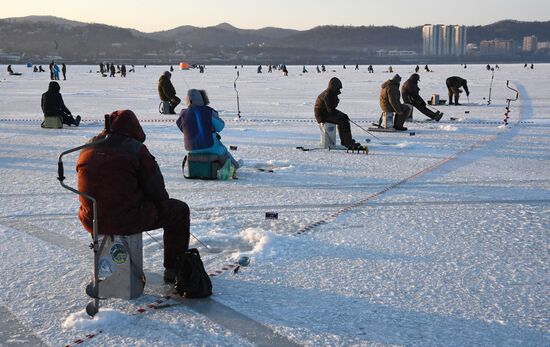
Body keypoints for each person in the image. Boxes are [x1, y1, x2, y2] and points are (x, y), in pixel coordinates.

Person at [76, 109, 190, 283]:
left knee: (101, 208)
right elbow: (157, 191)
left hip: (91, 219)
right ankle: (173, 269)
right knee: (180, 211)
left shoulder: (87, 148)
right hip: (127, 218)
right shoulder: (136, 149)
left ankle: (106, 262)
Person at [176, 89, 240, 175]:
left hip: (190, 149)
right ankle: (234, 167)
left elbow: (181, 127)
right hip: (210, 146)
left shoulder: (183, 113)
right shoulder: (208, 111)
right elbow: (220, 127)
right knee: (223, 151)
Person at [314, 77, 363, 150]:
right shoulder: (328, 95)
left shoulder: (331, 93)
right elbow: (331, 110)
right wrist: (341, 115)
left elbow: (332, 109)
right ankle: (347, 142)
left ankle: (346, 141)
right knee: (343, 121)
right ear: (334, 87)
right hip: (322, 115)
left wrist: (343, 114)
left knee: (343, 119)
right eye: (338, 88)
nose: (339, 90)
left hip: (325, 113)